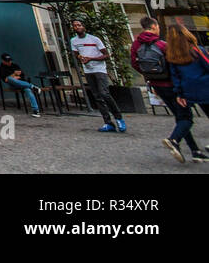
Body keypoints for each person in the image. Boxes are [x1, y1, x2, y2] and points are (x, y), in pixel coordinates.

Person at [130, 16, 203, 162]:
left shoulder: (136, 45)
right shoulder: (162, 45)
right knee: (186, 117)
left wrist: (150, 78)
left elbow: (135, 63)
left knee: (180, 116)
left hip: (157, 85)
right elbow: (175, 65)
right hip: (172, 85)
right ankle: (174, 140)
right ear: (154, 26)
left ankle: (195, 150)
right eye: (157, 27)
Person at [69, 18, 125, 132]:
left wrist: (92, 58)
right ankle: (108, 122)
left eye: (79, 25)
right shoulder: (74, 41)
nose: (77, 27)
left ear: (83, 26)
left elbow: (106, 55)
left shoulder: (94, 39)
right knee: (97, 96)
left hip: (99, 69)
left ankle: (119, 118)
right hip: (88, 70)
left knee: (104, 93)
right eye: (75, 26)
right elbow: (76, 54)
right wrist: (81, 58)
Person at [166, 21, 209, 163]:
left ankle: (174, 139)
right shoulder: (197, 50)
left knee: (185, 118)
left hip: (187, 90)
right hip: (205, 87)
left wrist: (179, 93)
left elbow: (175, 76)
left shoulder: (172, 56)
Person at [0, 53, 42, 117]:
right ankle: (32, 86)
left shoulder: (15, 65)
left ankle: (36, 110)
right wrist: (14, 74)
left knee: (28, 90)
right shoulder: (1, 68)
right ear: (3, 61)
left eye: (10, 60)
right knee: (10, 79)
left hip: (23, 83)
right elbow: (6, 80)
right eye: (7, 61)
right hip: (14, 85)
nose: (9, 62)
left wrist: (14, 77)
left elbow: (21, 75)